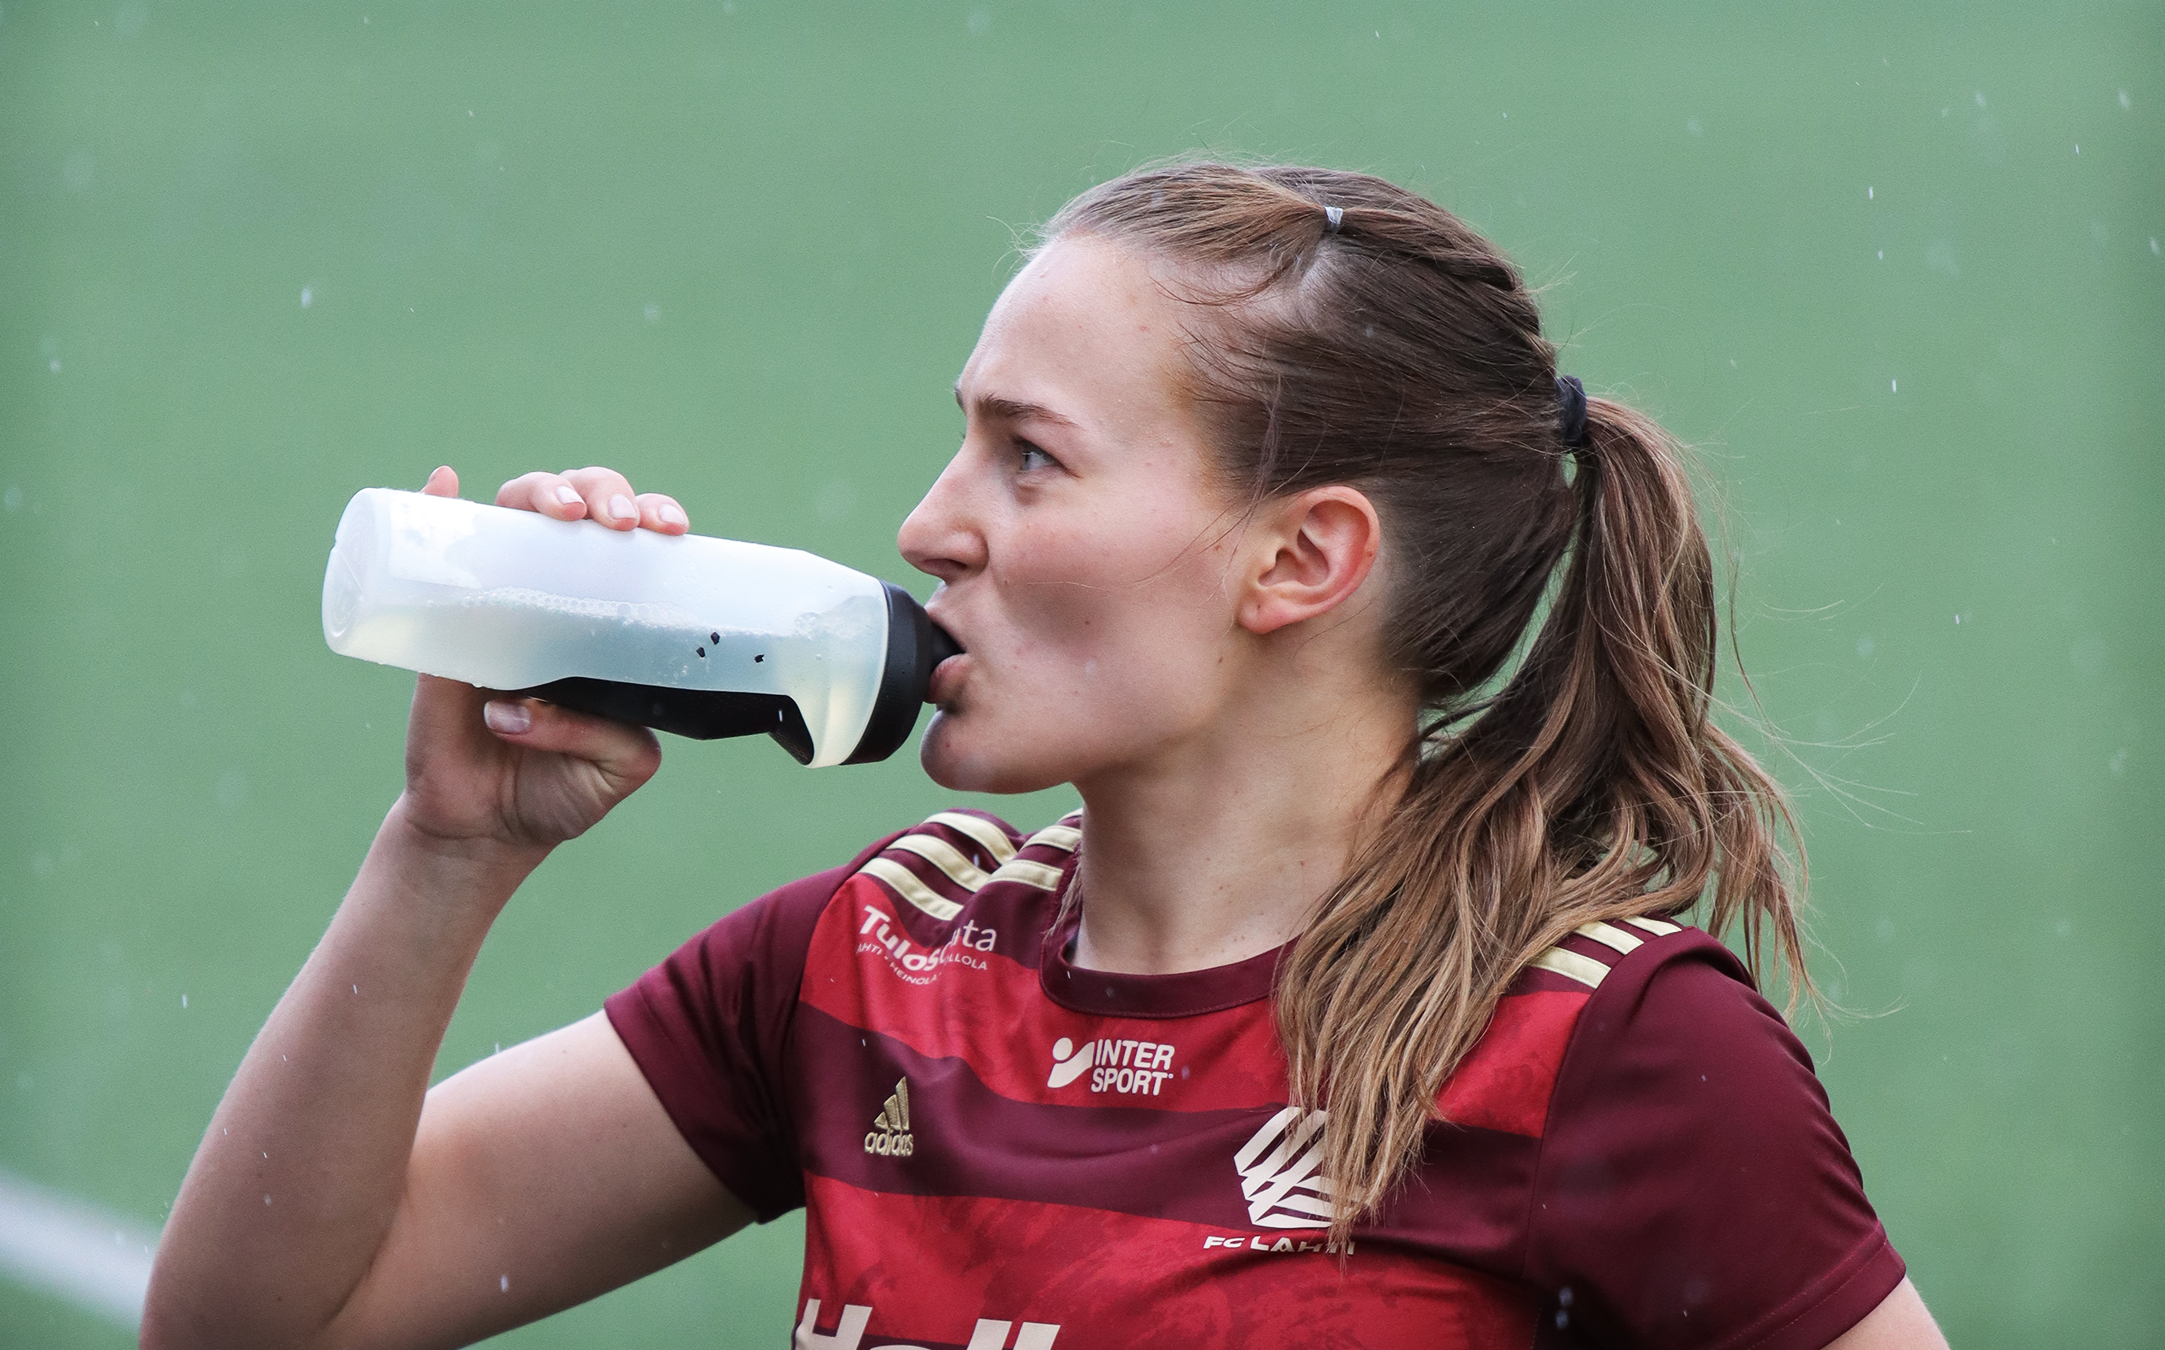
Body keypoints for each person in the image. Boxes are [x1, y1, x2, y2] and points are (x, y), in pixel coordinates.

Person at [143, 162, 1947, 1350]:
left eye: (1030, 457)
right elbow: (254, 1323)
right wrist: (449, 848)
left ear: (1298, 558)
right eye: (964, 444)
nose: (930, 525)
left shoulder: (1605, 1049)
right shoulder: (867, 960)